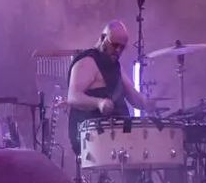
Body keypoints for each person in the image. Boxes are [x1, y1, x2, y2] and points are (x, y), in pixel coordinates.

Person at [66, 20, 155, 157]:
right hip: (93, 138)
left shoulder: (115, 66)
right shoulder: (87, 62)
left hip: (118, 136)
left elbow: (132, 95)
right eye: (115, 45)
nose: (118, 50)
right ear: (103, 38)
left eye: (122, 47)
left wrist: (147, 104)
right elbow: (73, 97)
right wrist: (99, 103)